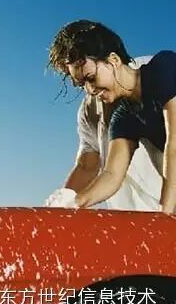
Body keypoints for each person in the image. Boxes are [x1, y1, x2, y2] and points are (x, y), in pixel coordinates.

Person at [46, 20, 176, 214]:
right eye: (82, 85)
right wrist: (74, 201)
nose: (89, 90)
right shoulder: (124, 116)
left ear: (113, 60)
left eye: (91, 78)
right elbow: (112, 175)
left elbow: (174, 146)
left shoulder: (164, 67)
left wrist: (164, 215)